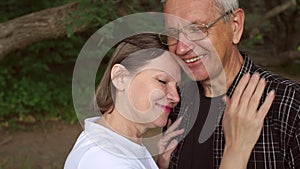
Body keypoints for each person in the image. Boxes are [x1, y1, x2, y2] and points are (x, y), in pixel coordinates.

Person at [64, 33, 274, 169]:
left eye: (176, 85)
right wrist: (236, 150)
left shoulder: (119, 146)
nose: (174, 97)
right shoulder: (104, 161)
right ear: (120, 78)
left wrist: (159, 165)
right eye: (162, 80)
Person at [160, 0, 300, 169]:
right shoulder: (176, 104)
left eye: (197, 29)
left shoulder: (290, 106)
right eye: (172, 33)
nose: (181, 48)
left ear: (235, 26)